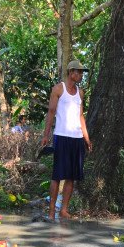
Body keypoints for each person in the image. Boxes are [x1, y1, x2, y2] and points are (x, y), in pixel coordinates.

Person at [41, 59, 92, 221]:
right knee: (57, 176)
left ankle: (64, 210)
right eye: (79, 72)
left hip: (77, 138)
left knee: (71, 176)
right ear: (71, 73)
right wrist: (46, 135)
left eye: (82, 72)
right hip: (61, 136)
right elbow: (50, 112)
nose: (81, 75)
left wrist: (87, 138)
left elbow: (81, 116)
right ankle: (51, 212)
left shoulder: (80, 93)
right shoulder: (58, 89)